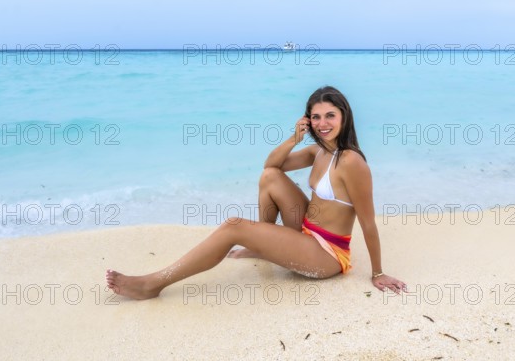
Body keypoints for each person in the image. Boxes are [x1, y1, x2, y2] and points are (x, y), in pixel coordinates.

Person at [106, 86, 407, 299]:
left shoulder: (352, 162)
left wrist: (378, 272)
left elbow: (368, 222)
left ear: (344, 116)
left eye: (330, 115)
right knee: (270, 178)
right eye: (316, 117)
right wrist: (294, 138)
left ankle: (154, 283)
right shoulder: (317, 151)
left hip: (326, 254)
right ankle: (263, 243)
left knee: (233, 227)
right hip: (305, 231)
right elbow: (271, 165)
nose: (323, 123)